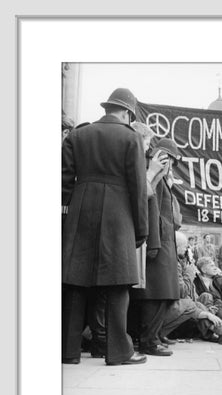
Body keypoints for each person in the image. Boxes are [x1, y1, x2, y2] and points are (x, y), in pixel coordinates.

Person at [62, 87, 148, 366]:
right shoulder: (131, 137)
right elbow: (137, 187)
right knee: (117, 285)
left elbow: (63, 182)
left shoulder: (77, 135)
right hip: (118, 215)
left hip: (80, 211)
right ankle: (119, 352)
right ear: (127, 113)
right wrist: (141, 228)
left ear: (108, 108)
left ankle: (68, 351)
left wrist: (67, 216)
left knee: (75, 282)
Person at [129, 137, 183, 357]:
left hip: (164, 242)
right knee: (155, 294)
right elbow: (151, 212)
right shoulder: (156, 179)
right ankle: (149, 341)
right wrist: (153, 243)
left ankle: (153, 336)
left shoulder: (162, 180)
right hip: (158, 242)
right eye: (170, 159)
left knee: (162, 293)